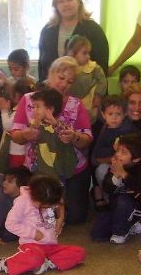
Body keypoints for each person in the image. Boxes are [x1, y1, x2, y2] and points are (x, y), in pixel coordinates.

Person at [9, 57, 93, 224]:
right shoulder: (28, 100)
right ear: (50, 74)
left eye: (70, 81)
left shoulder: (76, 104)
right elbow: (15, 134)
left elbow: (87, 138)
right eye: (61, 78)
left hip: (71, 168)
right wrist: (26, 135)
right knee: (40, 214)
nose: (64, 84)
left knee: (75, 217)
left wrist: (73, 136)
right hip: (38, 168)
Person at [0, 174, 86, 275]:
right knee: (34, 257)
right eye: (45, 206)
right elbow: (10, 224)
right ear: (35, 197)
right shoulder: (22, 201)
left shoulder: (48, 196)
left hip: (51, 246)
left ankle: (46, 263)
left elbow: (60, 203)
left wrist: (60, 220)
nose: (48, 207)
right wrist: (33, 233)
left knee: (79, 252)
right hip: (32, 246)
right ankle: (5, 264)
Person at [39, 0, 108, 79]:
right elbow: (42, 66)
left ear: (79, 2)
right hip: (54, 90)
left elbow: (102, 65)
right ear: (55, 6)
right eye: (61, 1)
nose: (66, 4)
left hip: (87, 90)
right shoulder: (47, 31)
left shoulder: (94, 29)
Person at [90, 133, 141, 244]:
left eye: (123, 152)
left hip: (134, 206)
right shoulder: (116, 165)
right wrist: (115, 175)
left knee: (123, 201)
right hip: (115, 205)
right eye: (118, 151)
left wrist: (123, 174)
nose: (117, 155)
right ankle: (128, 224)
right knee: (98, 234)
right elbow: (107, 189)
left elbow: (138, 192)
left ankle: (121, 231)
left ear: (136, 159)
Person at [90, 95, 126, 208]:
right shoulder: (104, 131)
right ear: (103, 115)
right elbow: (97, 153)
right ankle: (109, 199)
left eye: (118, 114)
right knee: (101, 170)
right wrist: (113, 149)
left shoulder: (127, 129)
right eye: (110, 114)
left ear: (124, 115)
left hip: (126, 165)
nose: (114, 118)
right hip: (110, 165)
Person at [66, 35, 107, 123]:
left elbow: (102, 81)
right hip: (71, 105)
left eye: (89, 53)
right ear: (73, 54)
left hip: (89, 104)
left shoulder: (93, 67)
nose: (88, 56)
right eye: (84, 53)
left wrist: (98, 96)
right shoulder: (66, 67)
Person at [0, 166, 31, 244]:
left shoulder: (27, 199)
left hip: (25, 227)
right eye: (4, 180)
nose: (4, 183)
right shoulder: (5, 198)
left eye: (9, 181)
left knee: (11, 233)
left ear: (21, 186)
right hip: (10, 224)